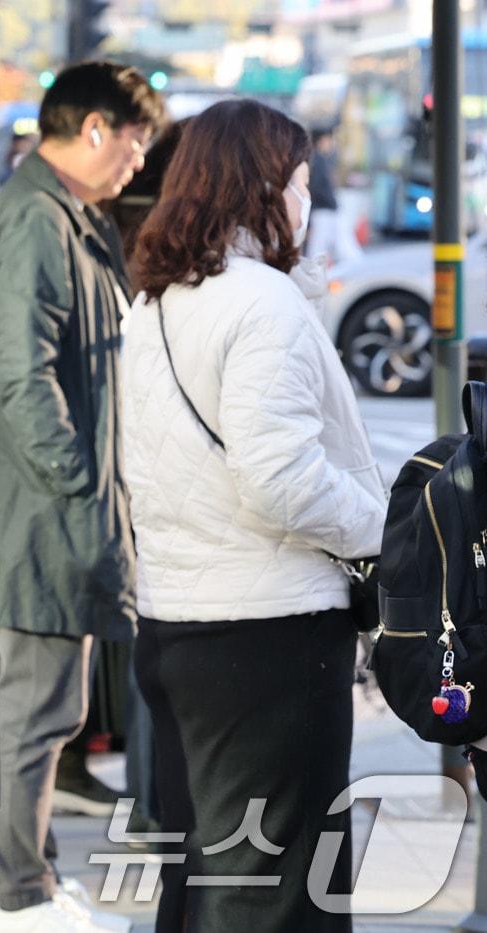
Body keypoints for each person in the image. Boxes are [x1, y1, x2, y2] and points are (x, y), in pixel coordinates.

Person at [122, 99, 385, 933]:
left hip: (177, 624)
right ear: (264, 187)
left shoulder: (156, 302)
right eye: (301, 182)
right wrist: (382, 529)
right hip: (268, 638)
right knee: (277, 892)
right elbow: (279, 479)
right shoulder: (261, 305)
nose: (308, 201)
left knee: (200, 873)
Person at [0, 61, 163, 933]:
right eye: (135, 141)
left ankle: (34, 877)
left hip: (57, 507)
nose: (137, 162)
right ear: (94, 130)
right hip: (46, 513)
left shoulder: (61, 214)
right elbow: (23, 378)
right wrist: (85, 491)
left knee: (47, 709)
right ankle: (21, 895)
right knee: (36, 714)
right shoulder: (40, 221)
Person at [307, 128, 362, 265]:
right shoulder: (317, 160)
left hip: (326, 210)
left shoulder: (319, 159)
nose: (331, 144)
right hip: (323, 210)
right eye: (329, 140)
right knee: (318, 250)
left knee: (327, 247)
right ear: (321, 141)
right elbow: (316, 187)